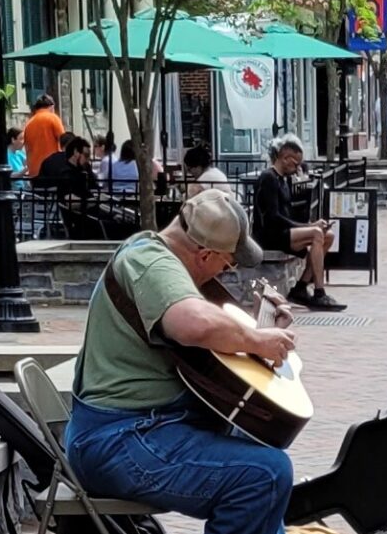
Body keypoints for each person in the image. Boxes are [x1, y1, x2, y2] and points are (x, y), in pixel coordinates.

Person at [63, 188, 301, 534]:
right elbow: (194, 323)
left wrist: (260, 329)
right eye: (228, 262)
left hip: (147, 428)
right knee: (263, 475)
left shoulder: (170, 268)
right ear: (204, 254)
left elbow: (208, 330)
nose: (227, 272)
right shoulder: (149, 261)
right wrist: (255, 340)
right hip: (119, 439)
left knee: (261, 449)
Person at [255, 135, 346, 312]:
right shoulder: (269, 178)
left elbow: (288, 215)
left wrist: (311, 224)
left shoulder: (283, 179)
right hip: (270, 235)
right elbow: (273, 217)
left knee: (328, 235)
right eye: (295, 164)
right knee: (316, 234)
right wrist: (309, 228)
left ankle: (301, 286)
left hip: (284, 232)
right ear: (285, 158)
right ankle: (319, 292)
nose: (297, 169)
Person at [35, 135, 96, 200]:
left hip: (48, 201)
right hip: (75, 203)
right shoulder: (78, 164)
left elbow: (39, 184)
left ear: (61, 144)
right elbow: (93, 185)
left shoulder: (48, 160)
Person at [22, 95, 66, 176]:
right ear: (52, 106)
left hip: (34, 171)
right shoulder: (53, 118)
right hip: (52, 170)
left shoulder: (29, 123)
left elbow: (27, 148)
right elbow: (64, 141)